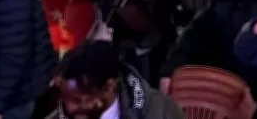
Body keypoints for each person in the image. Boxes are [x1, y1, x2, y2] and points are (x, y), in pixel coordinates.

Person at [49, 40, 183, 119]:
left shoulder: (160, 112)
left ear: (108, 87)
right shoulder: (56, 114)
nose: (69, 108)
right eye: (64, 98)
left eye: (78, 100)